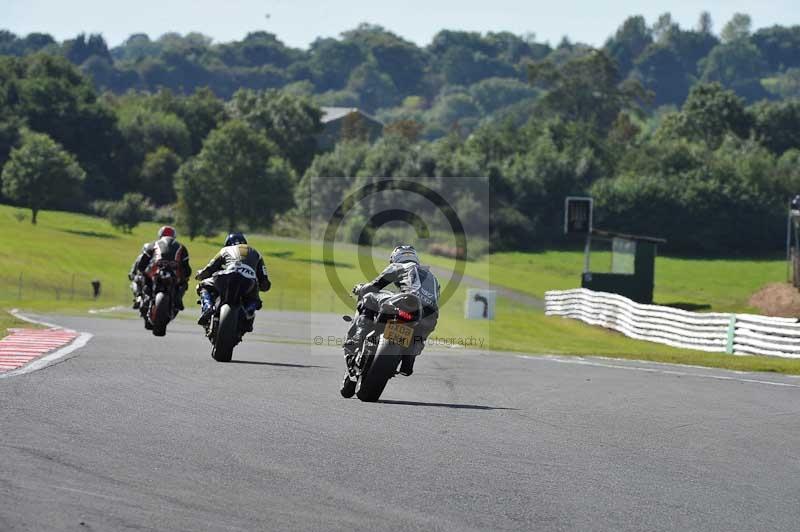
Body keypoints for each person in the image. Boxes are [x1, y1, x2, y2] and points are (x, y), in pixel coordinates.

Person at [343, 245, 440, 377]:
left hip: (405, 302)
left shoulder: (399, 266)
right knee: (419, 337)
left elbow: (374, 286)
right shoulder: (433, 278)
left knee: (369, 297)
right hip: (429, 315)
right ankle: (408, 361)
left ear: (396, 257)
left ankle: (357, 338)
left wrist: (360, 288)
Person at [195, 232, 271, 330]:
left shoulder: (225, 250)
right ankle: (249, 312)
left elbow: (210, 268)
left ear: (227, 243)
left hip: (226, 276)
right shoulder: (256, 253)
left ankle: (208, 307)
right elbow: (264, 281)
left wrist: (200, 275)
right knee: (255, 300)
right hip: (248, 281)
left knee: (203, 286)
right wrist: (262, 287)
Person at [128, 226, 191, 311]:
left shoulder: (152, 245)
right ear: (174, 236)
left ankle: (145, 297)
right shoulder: (181, 247)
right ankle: (177, 300)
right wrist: (185, 276)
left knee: (143, 278)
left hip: (157, 273)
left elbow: (141, 264)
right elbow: (187, 269)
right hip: (168, 274)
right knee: (184, 282)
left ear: (160, 235)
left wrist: (142, 272)